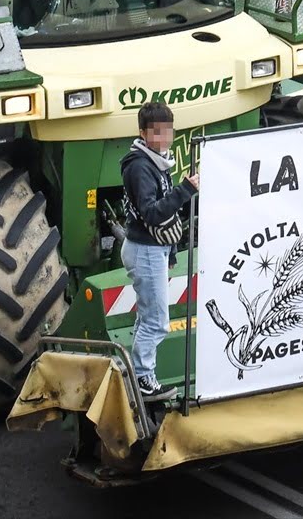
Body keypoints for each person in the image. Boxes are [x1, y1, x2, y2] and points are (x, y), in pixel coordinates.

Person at [119, 102, 198, 400]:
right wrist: (185, 190)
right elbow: (152, 214)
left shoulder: (155, 161)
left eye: (168, 130)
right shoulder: (141, 167)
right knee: (156, 321)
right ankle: (142, 378)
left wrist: (171, 251)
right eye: (157, 131)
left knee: (146, 317)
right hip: (146, 250)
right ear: (143, 133)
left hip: (152, 249)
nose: (164, 137)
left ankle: (138, 374)